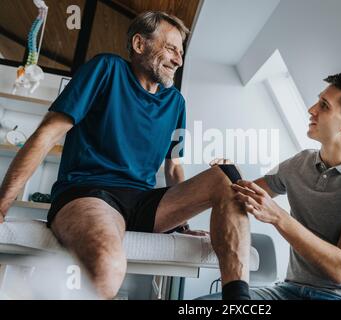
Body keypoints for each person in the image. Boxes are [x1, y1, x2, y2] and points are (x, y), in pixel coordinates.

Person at [0, 11, 252, 300]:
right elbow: (47, 135)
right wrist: (2, 206)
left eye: (180, 53)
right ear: (139, 44)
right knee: (107, 262)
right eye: (171, 48)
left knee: (227, 175)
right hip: (90, 193)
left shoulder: (176, 102)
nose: (178, 60)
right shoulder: (106, 69)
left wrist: (180, 222)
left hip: (144, 202)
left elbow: (174, 167)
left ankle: (237, 300)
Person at [199, 73, 341, 300]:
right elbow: (244, 197)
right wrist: (229, 174)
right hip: (288, 291)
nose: (311, 109)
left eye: (324, 106)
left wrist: (278, 217)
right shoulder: (299, 162)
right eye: (318, 100)